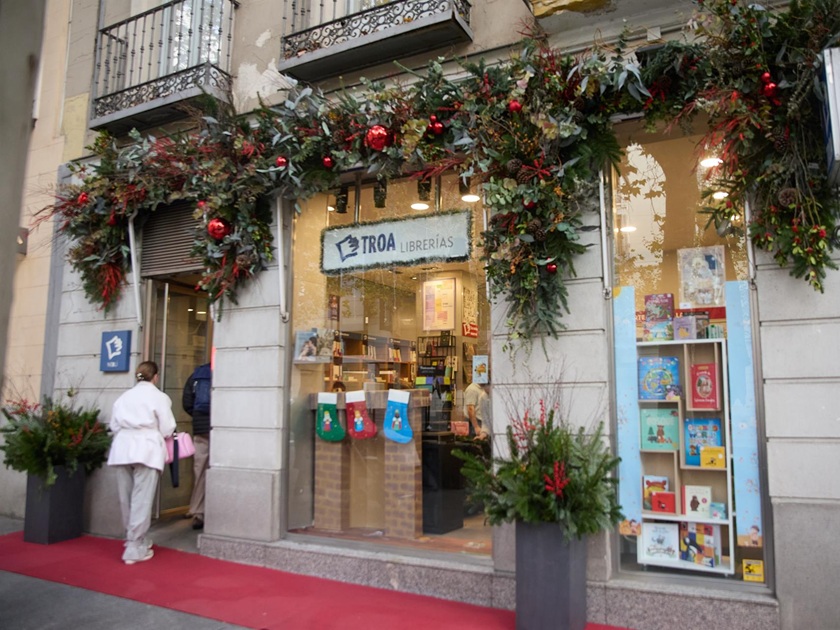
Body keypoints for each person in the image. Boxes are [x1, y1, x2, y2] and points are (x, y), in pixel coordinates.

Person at [107, 360, 177, 565]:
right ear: (155, 377)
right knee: (142, 499)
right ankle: (134, 546)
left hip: (122, 448)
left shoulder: (124, 397)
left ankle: (134, 539)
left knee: (126, 498)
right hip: (147, 448)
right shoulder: (159, 397)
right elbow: (168, 427)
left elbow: (114, 425)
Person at [182, 362, 212, 530]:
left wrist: (198, 417)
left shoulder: (197, 374)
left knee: (200, 469)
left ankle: (198, 512)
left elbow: (187, 402)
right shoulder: (228, 370)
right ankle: (218, 510)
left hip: (201, 429)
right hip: (222, 428)